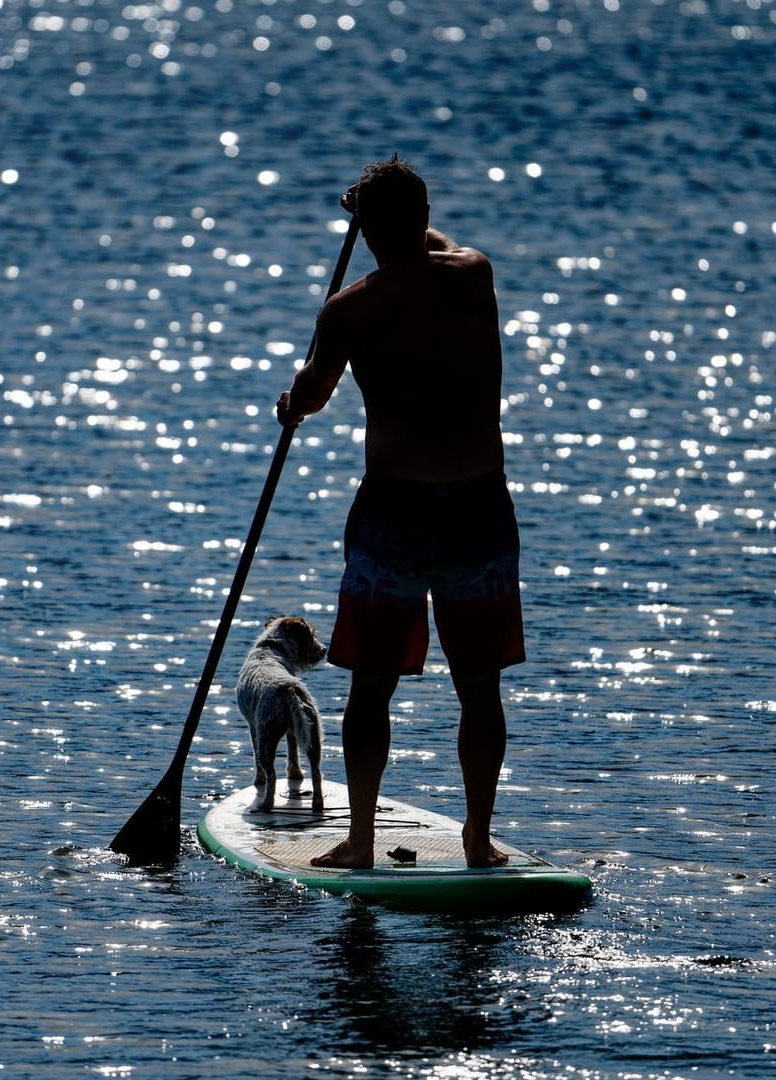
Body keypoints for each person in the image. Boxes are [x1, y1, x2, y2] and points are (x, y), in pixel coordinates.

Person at [275, 158, 525, 869]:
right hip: (480, 505)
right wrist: (383, 213)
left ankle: (359, 842)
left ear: (364, 229)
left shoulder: (350, 311)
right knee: (479, 687)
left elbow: (314, 392)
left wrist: (291, 402)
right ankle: (477, 838)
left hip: (395, 511)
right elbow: (430, 245)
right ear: (421, 222)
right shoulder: (473, 275)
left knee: (371, 686)